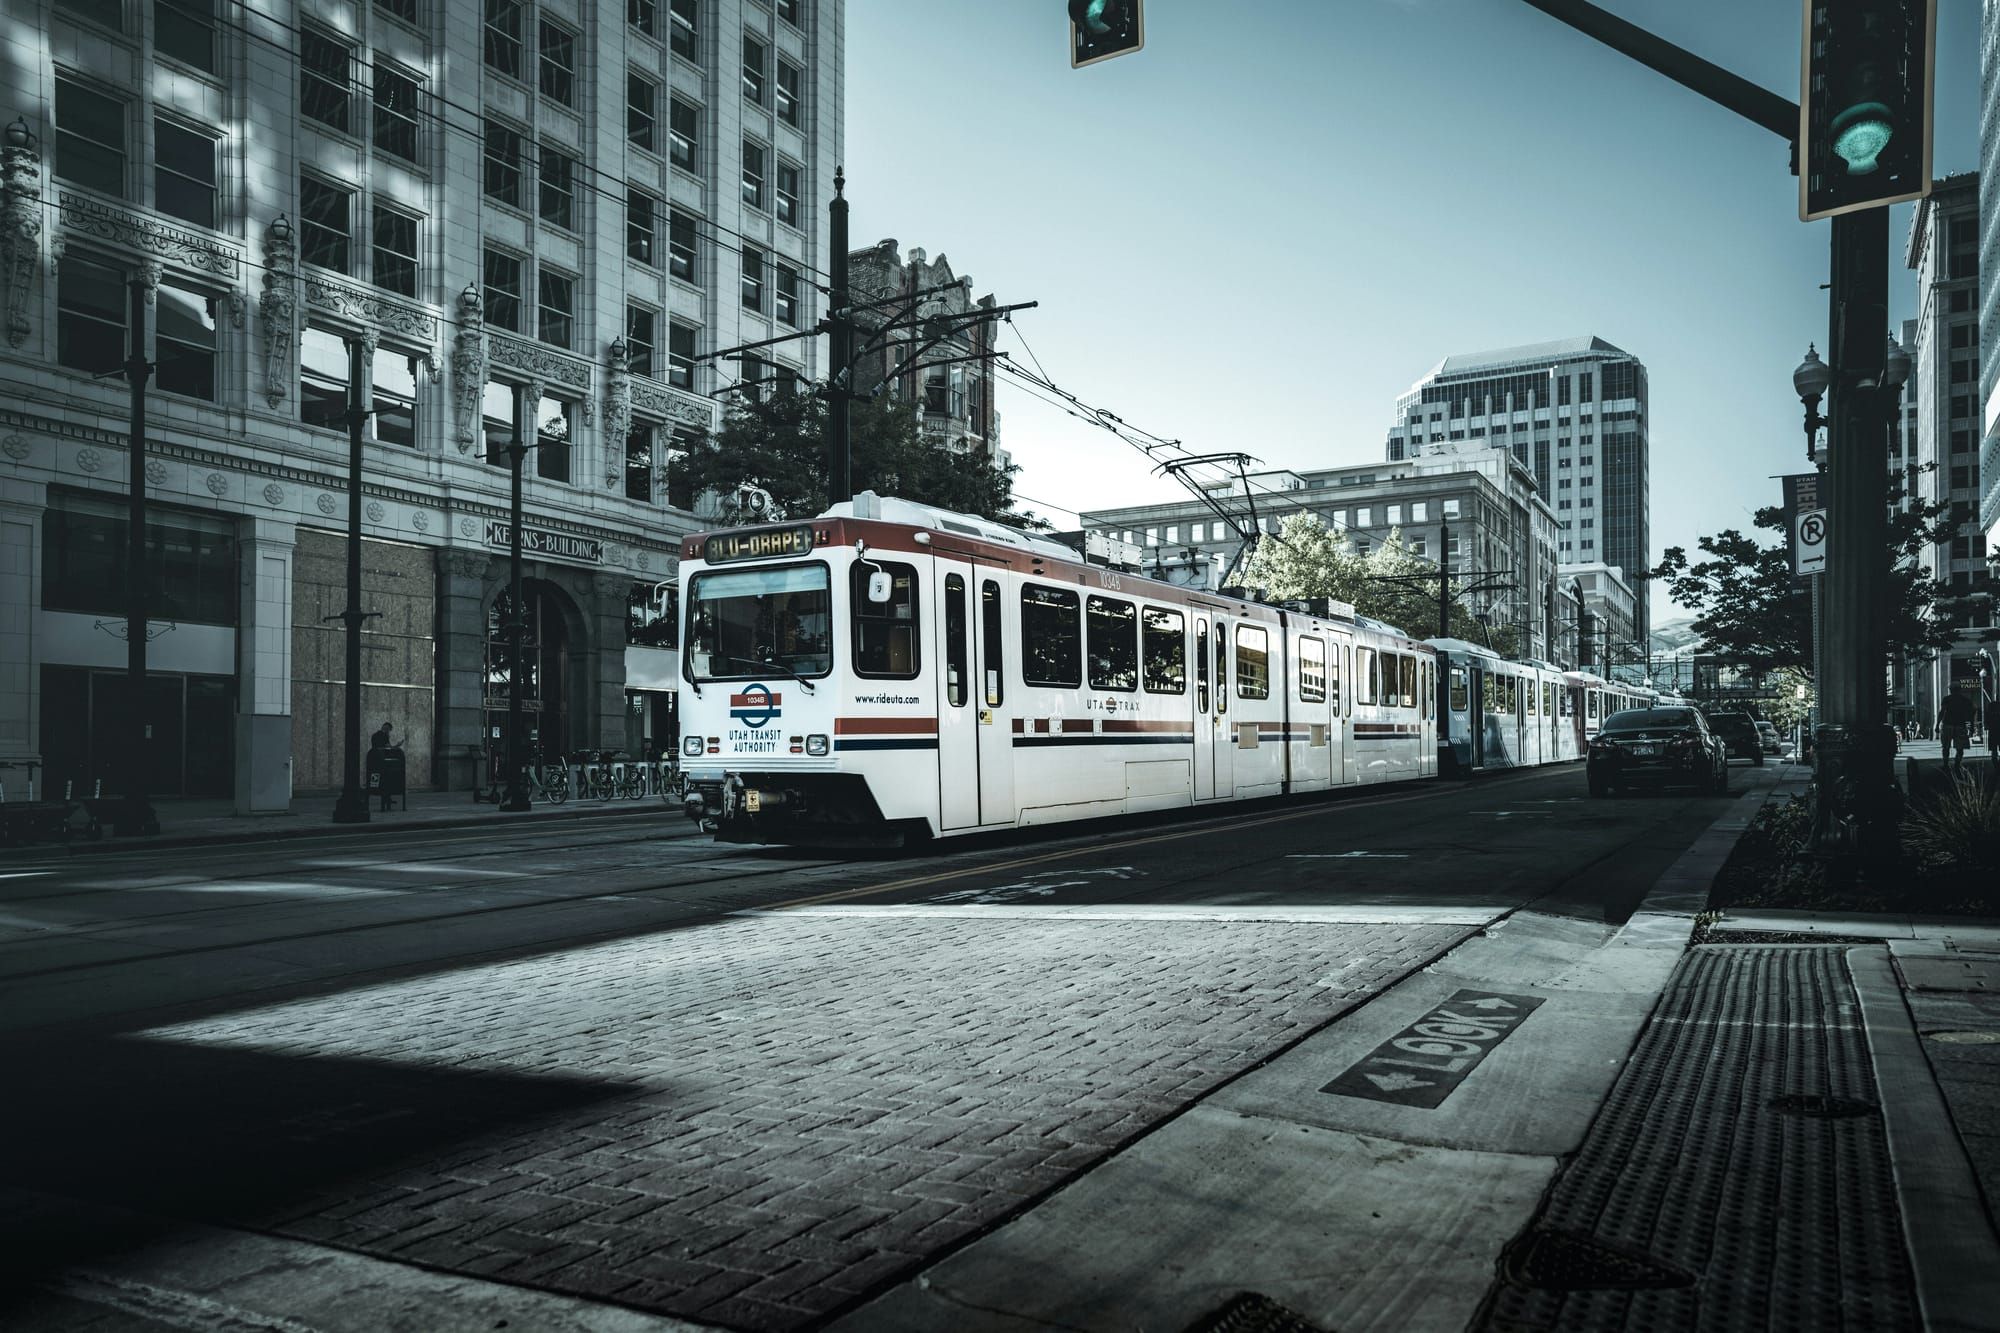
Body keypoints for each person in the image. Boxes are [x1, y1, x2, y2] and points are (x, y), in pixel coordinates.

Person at [1938, 691, 1976, 775]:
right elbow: (1971, 714)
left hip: (1948, 725)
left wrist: (1937, 724)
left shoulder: (1947, 699)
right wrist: (1972, 727)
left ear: (1951, 690)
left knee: (1945, 747)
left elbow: (1942, 712)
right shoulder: (1965, 700)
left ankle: (1946, 764)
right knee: (1960, 748)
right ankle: (1957, 764)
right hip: (1960, 726)